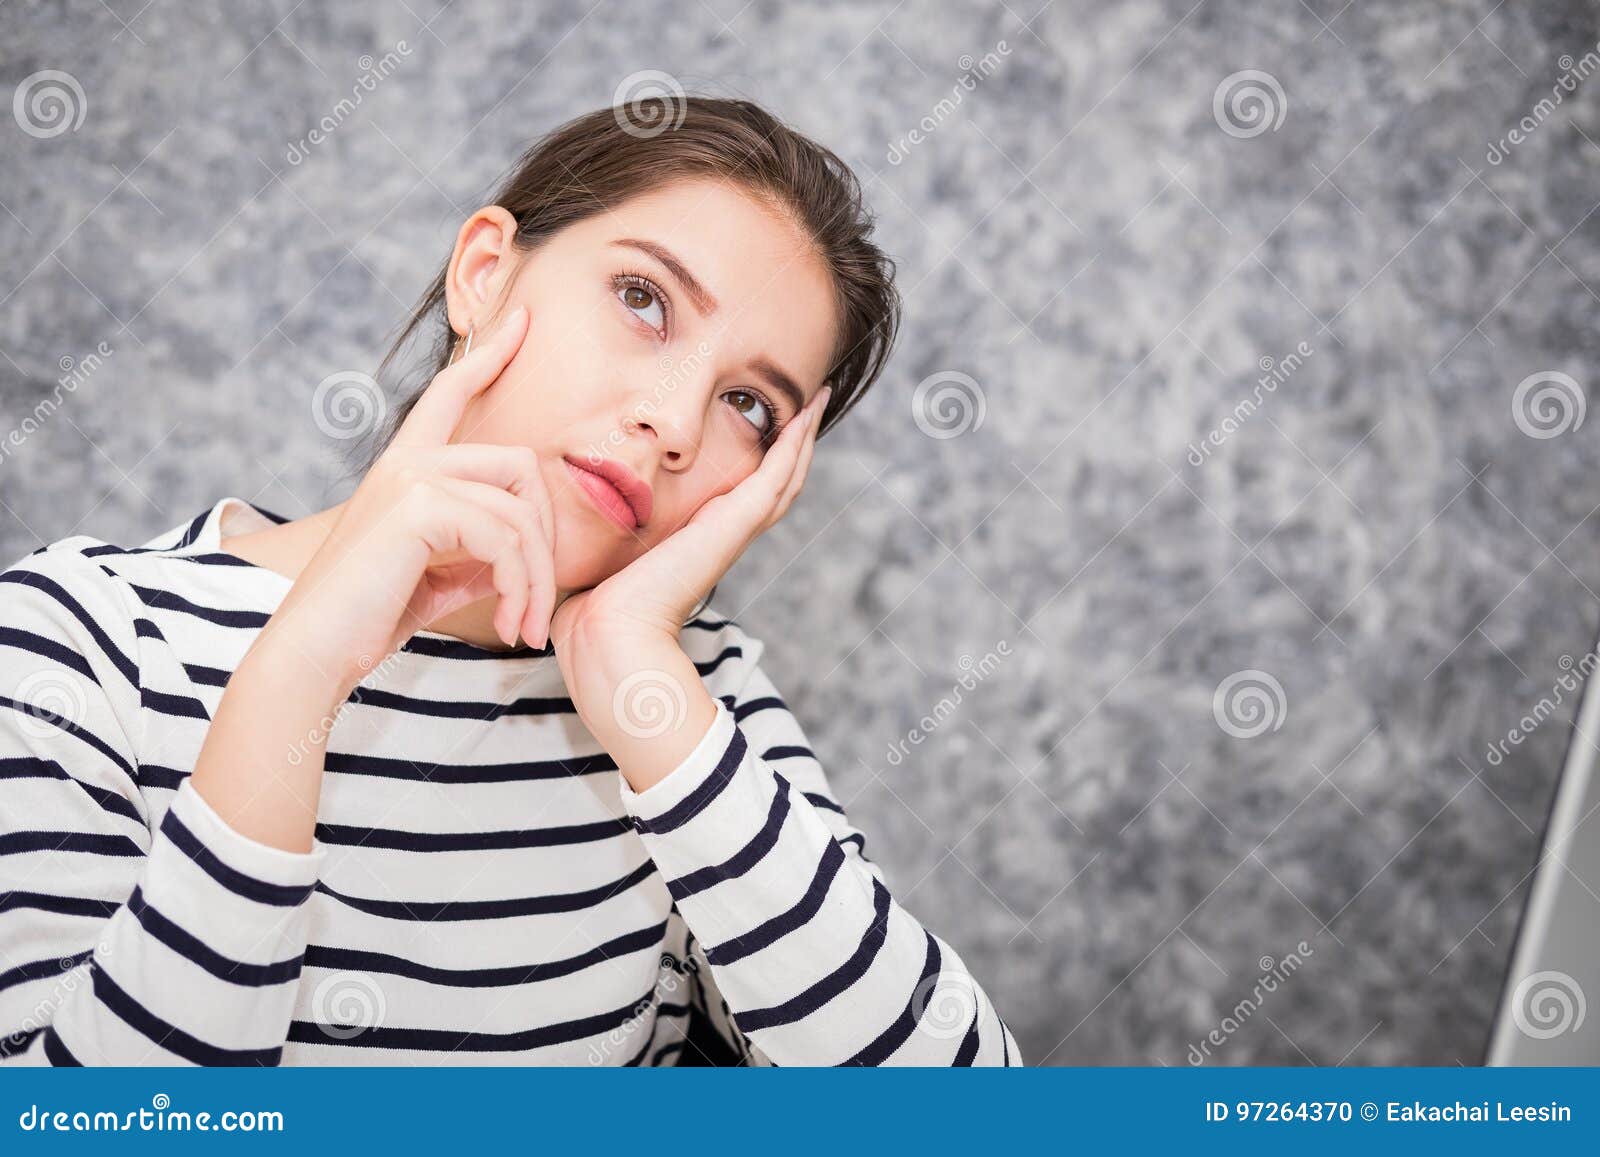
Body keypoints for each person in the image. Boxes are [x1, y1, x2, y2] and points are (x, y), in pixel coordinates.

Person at [0, 96, 1020, 1066]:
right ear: (486, 272)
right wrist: (297, 674)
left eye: (749, 404)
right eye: (642, 299)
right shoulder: (84, 644)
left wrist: (633, 682)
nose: (672, 419)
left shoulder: (688, 704)